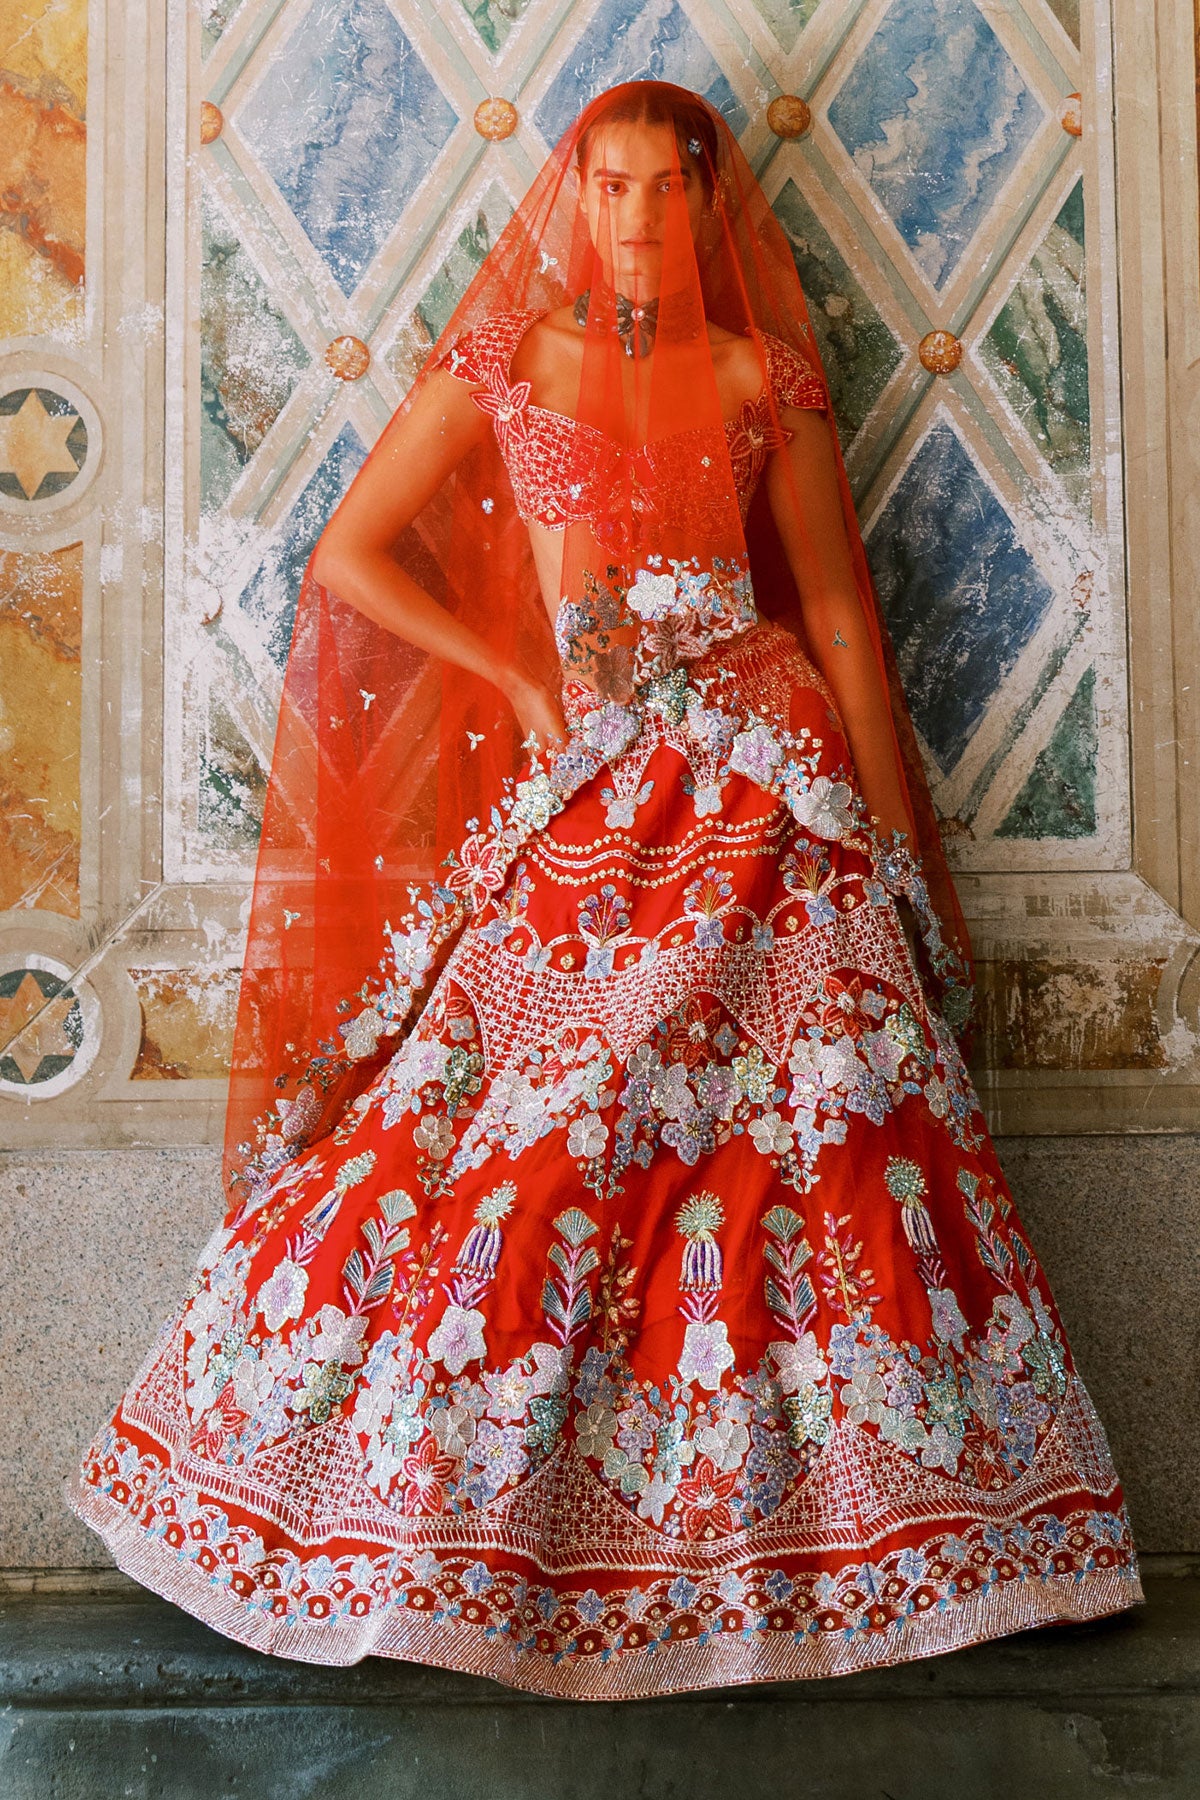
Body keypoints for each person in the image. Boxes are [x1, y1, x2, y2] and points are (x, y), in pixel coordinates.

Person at [69, 80, 1141, 1699]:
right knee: (536, 1130)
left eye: (663, 190)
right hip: (592, 787)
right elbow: (349, 555)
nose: (635, 216)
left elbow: (841, 618)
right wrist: (509, 669)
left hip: (769, 791)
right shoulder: (509, 360)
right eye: (610, 186)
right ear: (572, 197)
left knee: (827, 1132)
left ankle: (884, 1526)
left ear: (705, 208)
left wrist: (884, 831)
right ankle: (499, 1526)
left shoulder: (758, 375)